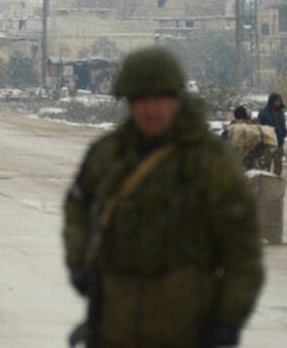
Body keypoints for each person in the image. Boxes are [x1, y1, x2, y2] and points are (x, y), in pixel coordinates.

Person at [64, 46, 263, 347]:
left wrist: (228, 318)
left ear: (176, 99)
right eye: (141, 100)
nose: (151, 110)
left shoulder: (211, 160)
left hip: (188, 328)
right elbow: (77, 206)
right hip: (114, 326)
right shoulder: (108, 155)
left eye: (160, 98)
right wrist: (79, 261)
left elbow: (243, 248)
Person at [256, 93, 287, 176]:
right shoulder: (264, 113)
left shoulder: (281, 112)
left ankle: (276, 181)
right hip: (267, 143)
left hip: (279, 141)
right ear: (271, 102)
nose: (278, 103)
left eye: (279, 101)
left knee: (278, 164)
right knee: (266, 163)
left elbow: (283, 124)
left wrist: (284, 132)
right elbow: (259, 126)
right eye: (276, 101)